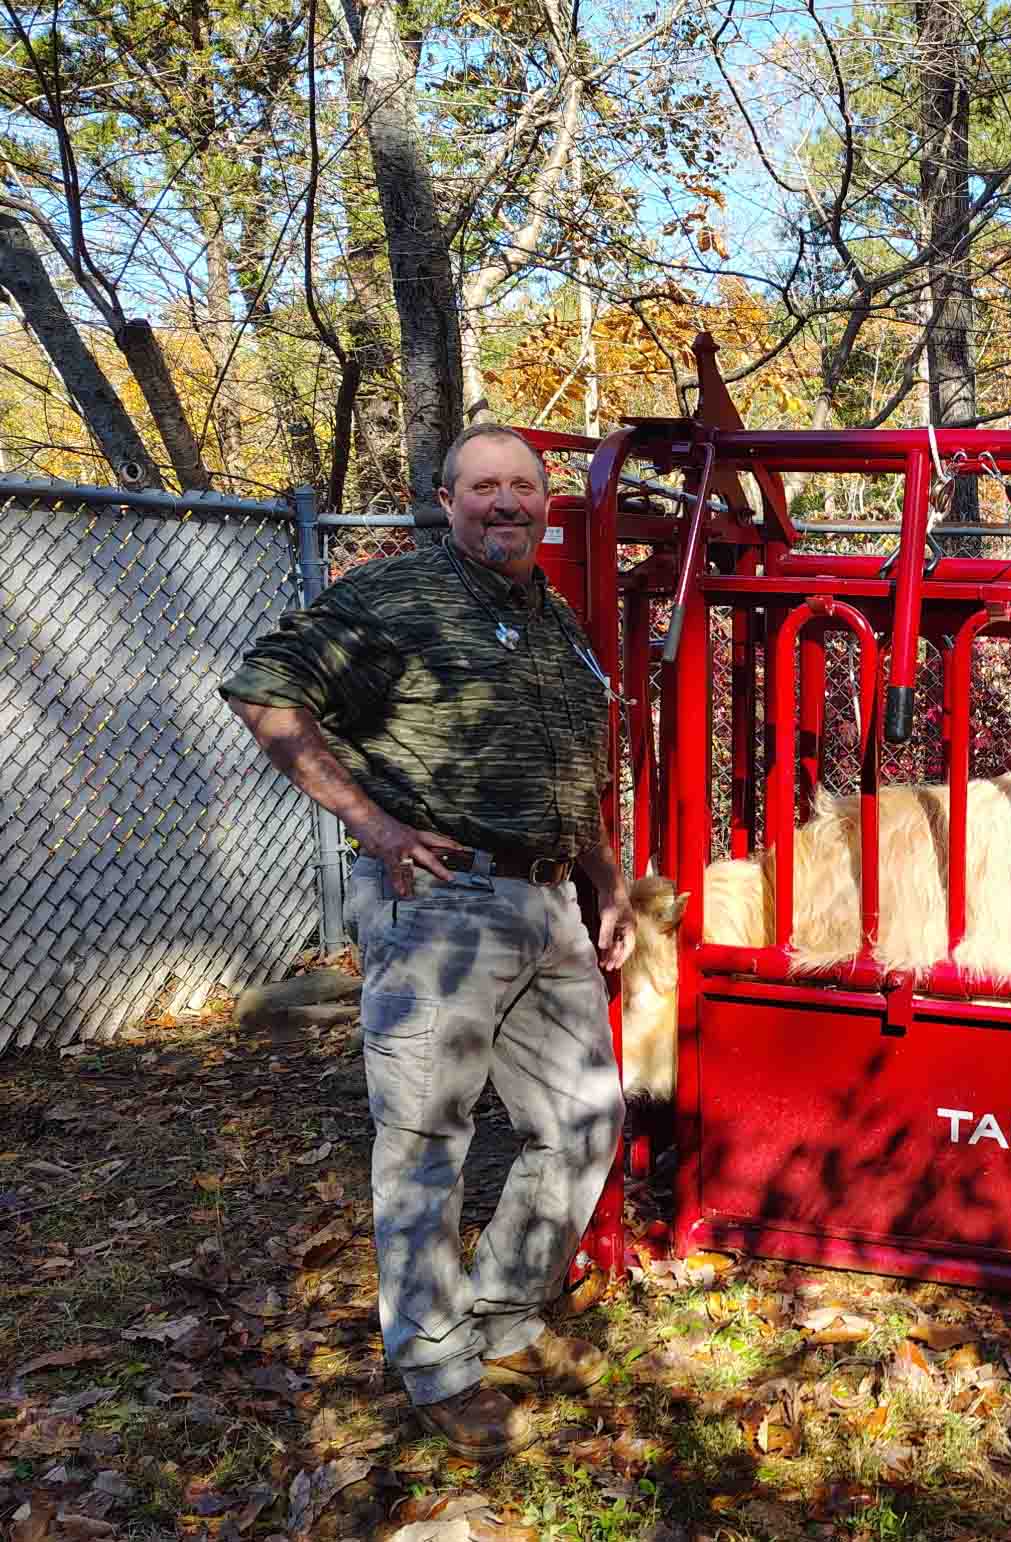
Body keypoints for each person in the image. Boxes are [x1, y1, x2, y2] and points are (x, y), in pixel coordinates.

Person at [221, 424, 632, 1460]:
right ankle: (436, 1363)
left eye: (523, 487)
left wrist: (606, 882)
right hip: (441, 905)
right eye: (483, 486)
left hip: (549, 905)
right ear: (443, 499)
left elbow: (572, 763)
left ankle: (502, 1316)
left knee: (583, 1123)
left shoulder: (554, 622)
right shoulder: (394, 597)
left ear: (546, 504)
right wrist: (376, 826)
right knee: (425, 1141)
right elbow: (265, 689)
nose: (506, 502)